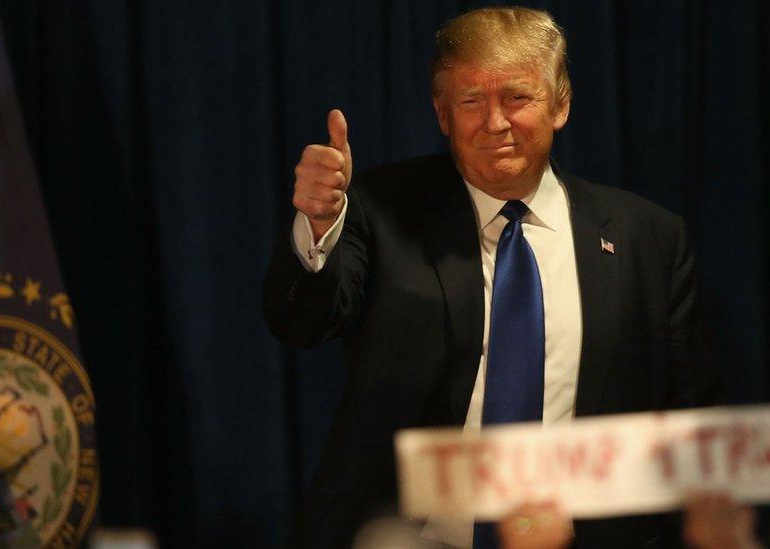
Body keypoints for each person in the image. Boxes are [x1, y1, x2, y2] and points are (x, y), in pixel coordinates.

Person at [264, 6, 722, 548]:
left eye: (518, 98)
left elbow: (686, 416)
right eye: (471, 101)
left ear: (561, 104)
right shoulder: (379, 209)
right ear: (442, 114)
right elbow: (302, 323)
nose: (495, 122)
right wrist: (319, 225)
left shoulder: (649, 237)